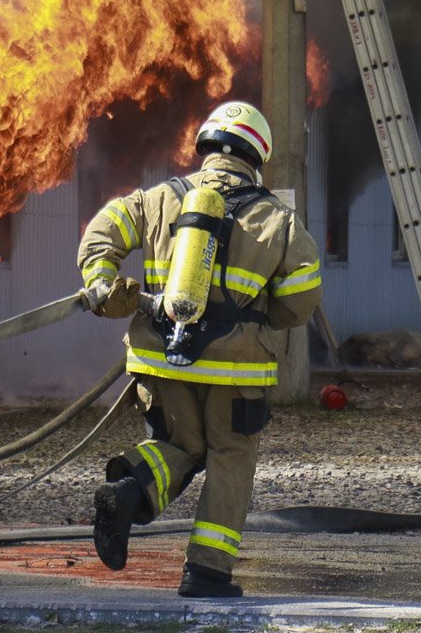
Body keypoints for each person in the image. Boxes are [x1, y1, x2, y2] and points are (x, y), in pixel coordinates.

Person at [77, 100, 322, 598]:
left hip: (161, 359)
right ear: (257, 155)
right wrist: (255, 320)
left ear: (206, 146)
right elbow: (301, 299)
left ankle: (128, 493)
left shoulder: (157, 199)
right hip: (236, 373)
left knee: (181, 447)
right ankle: (207, 573)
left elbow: (101, 233)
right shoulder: (279, 220)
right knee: (230, 455)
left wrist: (103, 284)